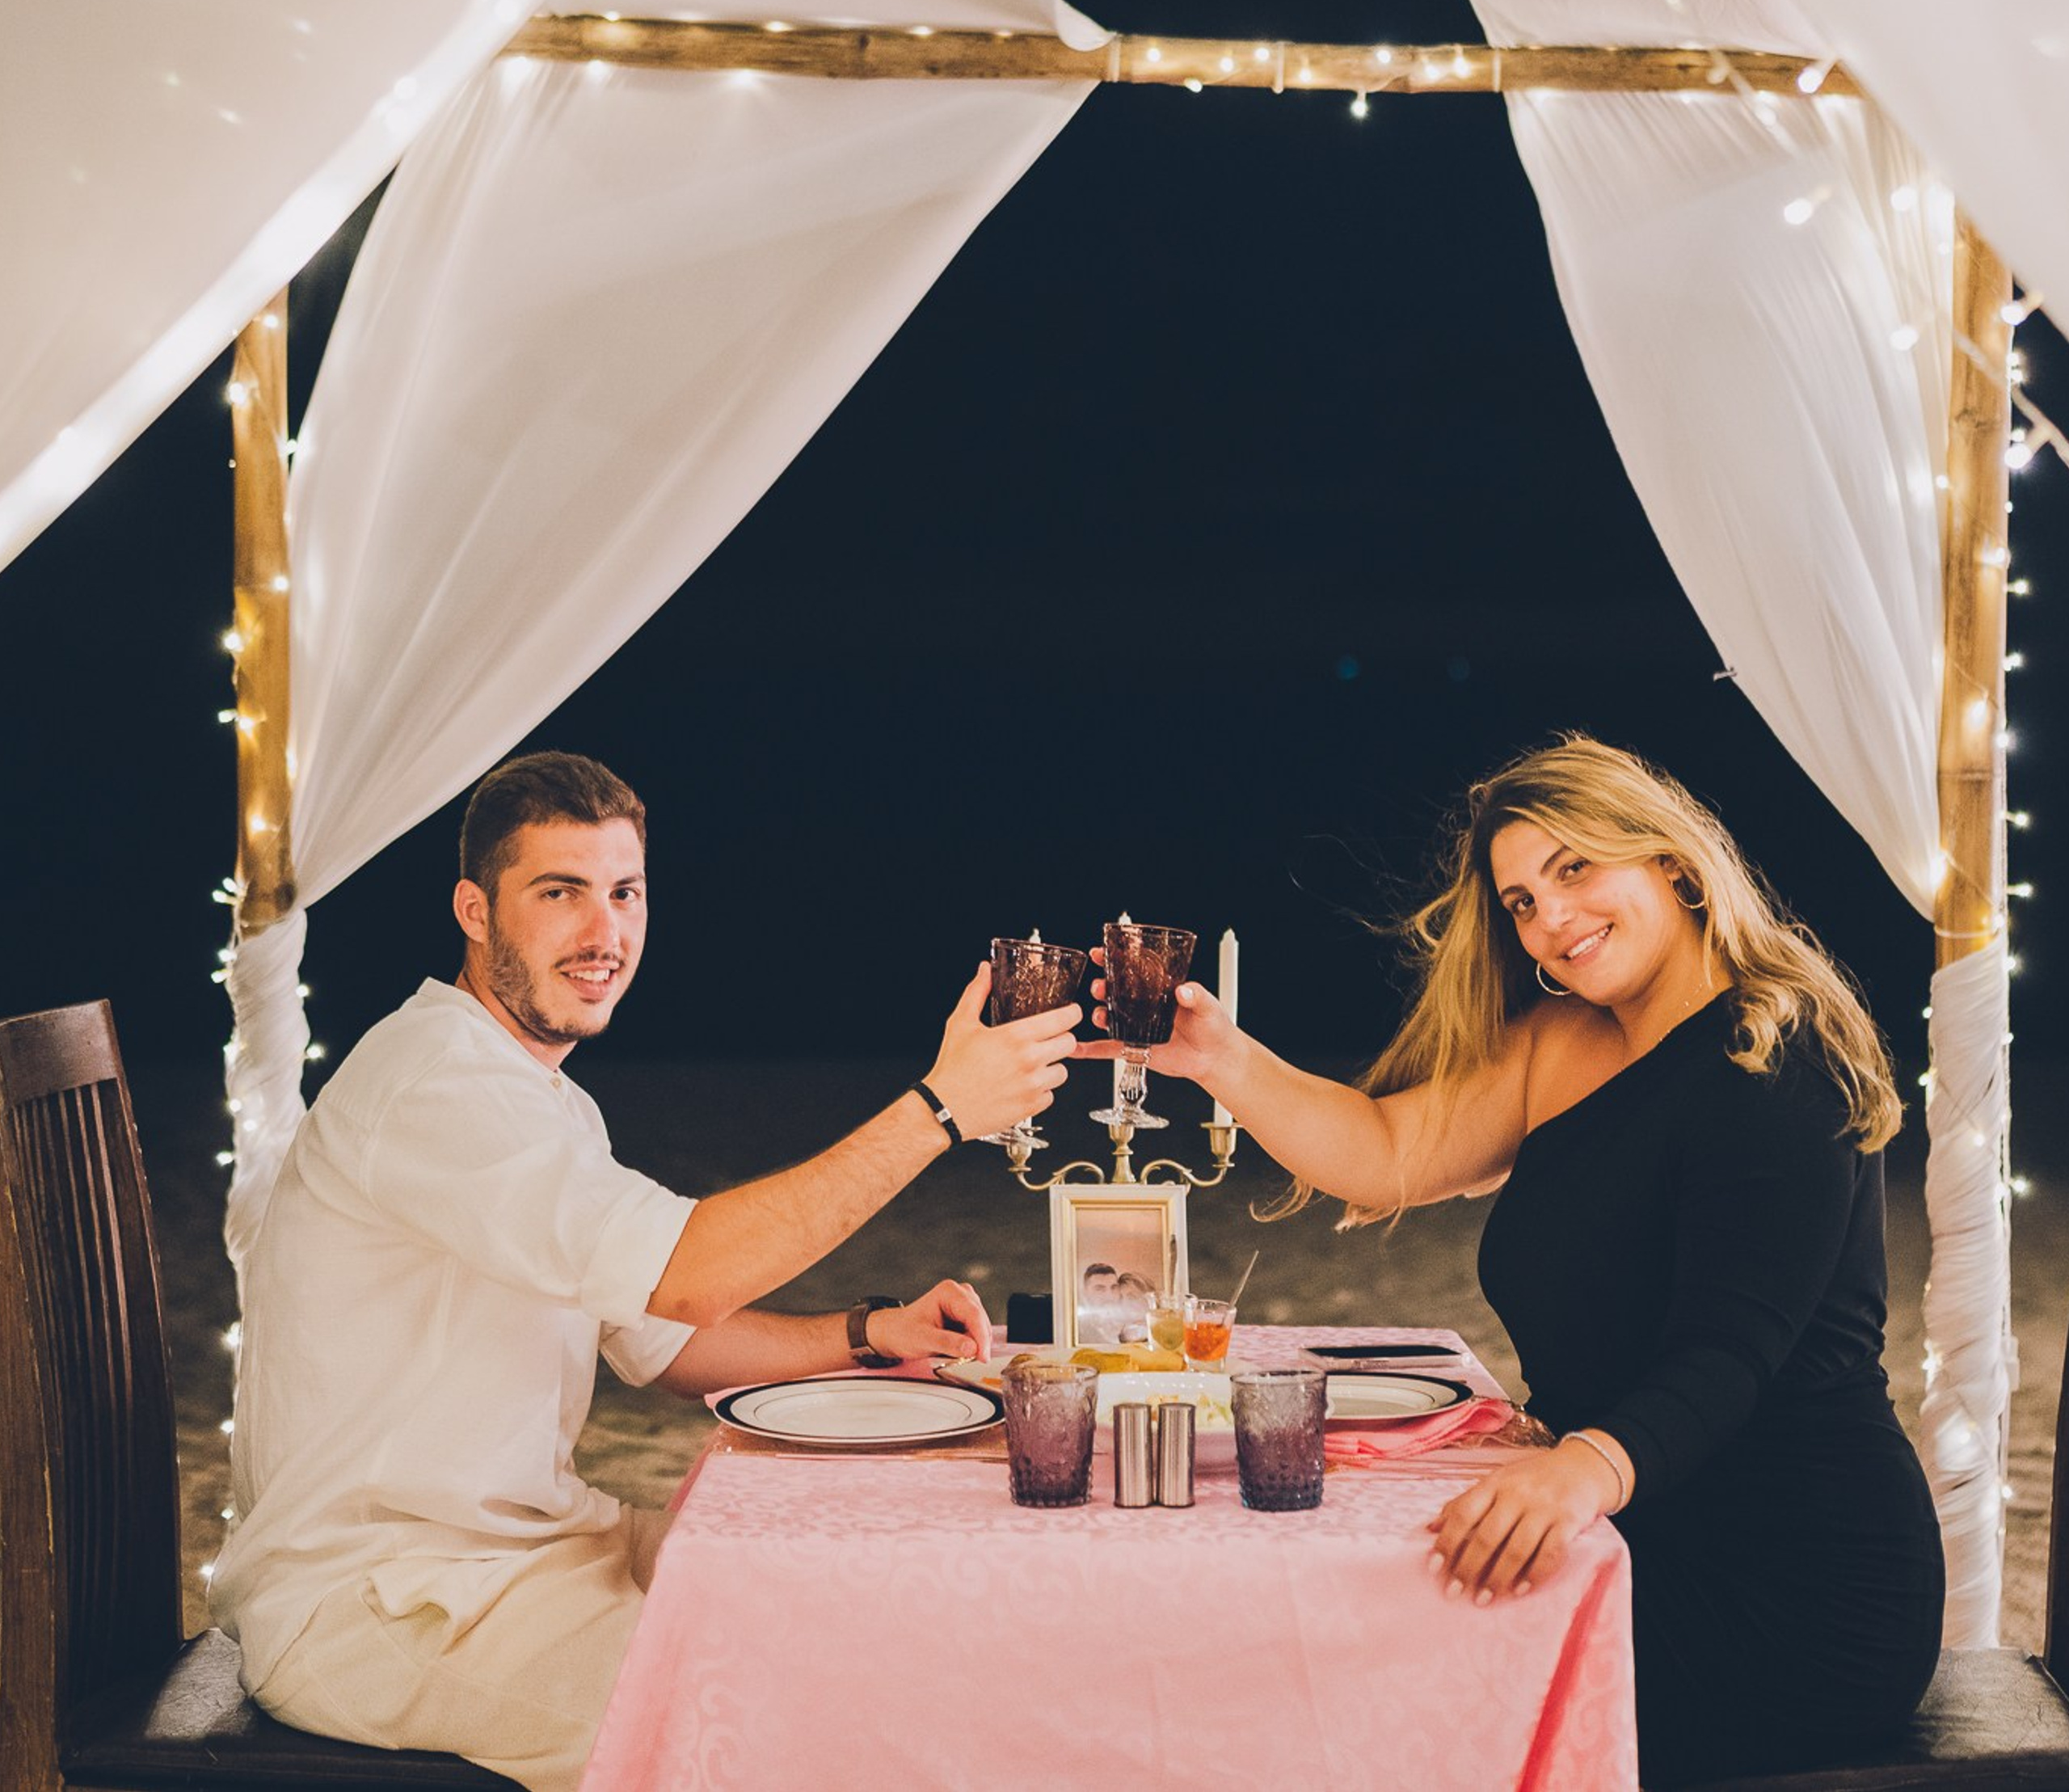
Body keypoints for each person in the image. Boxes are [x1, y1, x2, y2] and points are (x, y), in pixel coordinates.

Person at [211, 751, 1080, 1792]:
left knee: (849, 1618)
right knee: (780, 1715)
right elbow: (686, 1278)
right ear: (474, 912)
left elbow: (666, 1341)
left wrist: (863, 1334)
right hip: (386, 1602)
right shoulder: (437, 1085)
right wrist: (939, 1112)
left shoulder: (541, 1100)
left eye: (624, 894)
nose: (603, 933)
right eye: (559, 893)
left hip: (534, 1555)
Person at [1084, 736, 1944, 1786]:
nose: (1551, 920)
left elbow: (1730, 1352)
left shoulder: (1776, 1051)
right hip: (1627, 1529)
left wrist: (1579, 1469)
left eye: (1574, 871)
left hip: (1796, 1587)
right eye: (1523, 901)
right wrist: (1216, 1056)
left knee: (1394, 1691)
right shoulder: (1560, 1042)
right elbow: (1387, 1153)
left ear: (1672, 863)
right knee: (1331, 1638)